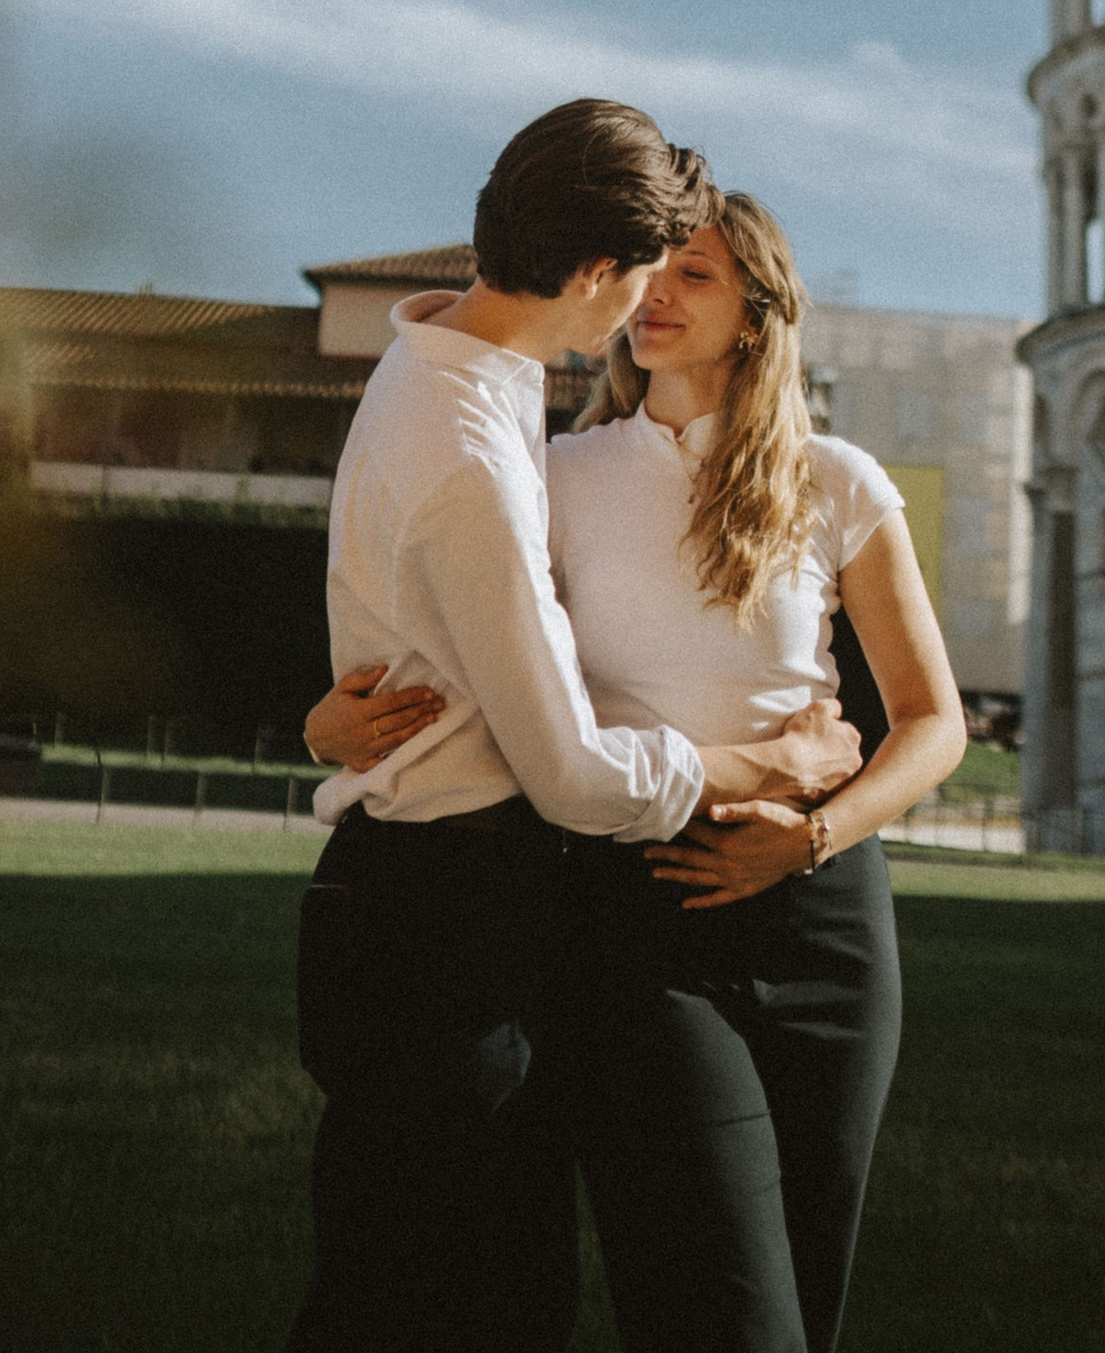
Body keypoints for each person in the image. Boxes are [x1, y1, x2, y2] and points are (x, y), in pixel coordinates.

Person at [311, 187, 968, 1353]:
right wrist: (328, 720)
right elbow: (461, 649)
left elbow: (931, 724)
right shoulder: (555, 475)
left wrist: (813, 836)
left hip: (826, 927)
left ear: (759, 315)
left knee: (808, 1304)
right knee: (723, 1311)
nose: (657, 293)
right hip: (643, 914)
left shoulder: (839, 483)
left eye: (699, 276)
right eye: (653, 271)